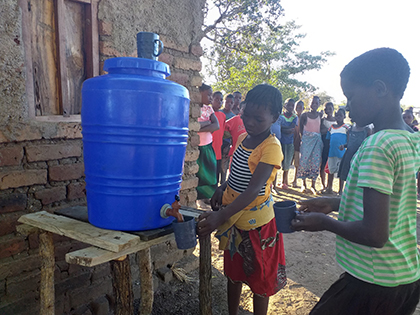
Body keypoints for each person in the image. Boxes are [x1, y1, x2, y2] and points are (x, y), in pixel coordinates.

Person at [292, 48, 420, 315]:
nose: (347, 106)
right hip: (405, 278)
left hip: (374, 283)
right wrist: (336, 202)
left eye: (351, 96)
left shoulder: (379, 145)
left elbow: (375, 234)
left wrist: (325, 223)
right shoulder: (407, 138)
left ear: (380, 89)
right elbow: (392, 203)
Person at [197, 84, 286, 315]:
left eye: (259, 118)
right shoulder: (244, 137)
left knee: (260, 281)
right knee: (234, 274)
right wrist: (222, 187)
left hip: (257, 225)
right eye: (246, 115)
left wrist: (220, 217)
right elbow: (237, 174)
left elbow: (253, 190)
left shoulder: (272, 147)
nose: (250, 122)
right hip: (235, 219)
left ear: (275, 117)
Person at [196, 84, 220, 201]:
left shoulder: (209, 109)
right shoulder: (193, 108)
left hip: (207, 146)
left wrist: (199, 127)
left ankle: (208, 197)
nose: (211, 98)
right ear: (199, 93)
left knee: (210, 172)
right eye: (208, 95)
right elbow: (193, 126)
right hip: (196, 148)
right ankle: (197, 197)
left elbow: (216, 125)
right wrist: (206, 123)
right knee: (198, 174)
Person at [296, 96, 323, 194]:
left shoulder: (320, 115)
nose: (314, 105)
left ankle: (313, 185)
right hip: (306, 141)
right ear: (309, 104)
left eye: (316, 103)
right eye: (313, 103)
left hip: (317, 142)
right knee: (304, 161)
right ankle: (303, 184)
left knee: (315, 163)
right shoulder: (304, 115)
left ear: (319, 104)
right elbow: (301, 130)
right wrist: (305, 139)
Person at [320, 108, 349, 195]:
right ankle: (329, 188)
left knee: (341, 172)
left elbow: (349, 140)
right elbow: (328, 140)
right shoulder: (331, 128)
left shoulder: (346, 128)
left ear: (344, 116)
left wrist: (344, 146)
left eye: (340, 115)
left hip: (341, 154)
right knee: (330, 171)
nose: (338, 117)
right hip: (332, 153)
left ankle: (340, 190)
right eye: (336, 115)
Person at [277, 98, 298, 190]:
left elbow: (292, 129)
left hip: (290, 143)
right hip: (280, 142)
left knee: (287, 162)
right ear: (284, 105)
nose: (290, 107)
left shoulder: (294, 117)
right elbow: (279, 127)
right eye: (288, 105)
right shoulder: (280, 116)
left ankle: (284, 181)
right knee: (277, 162)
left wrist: (284, 129)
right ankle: (274, 182)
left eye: (292, 105)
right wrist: (286, 129)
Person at [320, 102, 336, 190]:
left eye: (330, 108)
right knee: (323, 164)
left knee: (331, 165)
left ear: (333, 109)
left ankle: (330, 185)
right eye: (326, 109)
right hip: (324, 144)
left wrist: (327, 130)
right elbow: (321, 130)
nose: (328, 110)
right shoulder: (322, 120)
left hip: (333, 145)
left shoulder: (336, 120)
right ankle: (323, 185)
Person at [212, 91, 227, 185]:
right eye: (216, 99)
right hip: (208, 149)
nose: (219, 102)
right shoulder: (207, 113)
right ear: (212, 100)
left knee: (216, 176)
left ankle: (213, 195)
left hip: (218, 151)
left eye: (221, 100)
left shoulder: (222, 115)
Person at [291, 100, 304, 188]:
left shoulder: (303, 118)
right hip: (290, 142)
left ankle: (295, 180)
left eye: (300, 107)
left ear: (303, 108)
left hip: (298, 144)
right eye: (297, 107)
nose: (298, 109)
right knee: (287, 162)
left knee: (297, 163)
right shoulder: (292, 117)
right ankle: (284, 180)